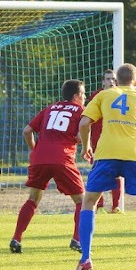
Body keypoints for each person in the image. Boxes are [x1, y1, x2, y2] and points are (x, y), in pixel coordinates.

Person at [73, 63, 136, 270]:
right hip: (134, 155)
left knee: (89, 201)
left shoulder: (105, 95)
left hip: (107, 153)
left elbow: (83, 124)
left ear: (116, 81)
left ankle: (86, 258)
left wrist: (86, 146)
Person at [9, 79, 87, 254]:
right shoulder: (80, 111)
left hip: (40, 158)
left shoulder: (50, 108)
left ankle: (16, 238)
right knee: (82, 201)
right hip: (62, 159)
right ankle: (77, 239)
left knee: (33, 199)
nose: (85, 97)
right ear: (76, 96)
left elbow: (27, 131)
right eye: (83, 94)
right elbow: (81, 135)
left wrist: (34, 150)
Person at [88, 69, 124, 214]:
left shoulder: (122, 96)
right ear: (103, 81)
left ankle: (116, 207)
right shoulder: (96, 96)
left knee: (117, 173)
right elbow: (88, 120)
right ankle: (99, 206)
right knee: (99, 173)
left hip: (116, 141)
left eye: (113, 79)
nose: (111, 82)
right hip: (98, 143)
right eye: (108, 79)